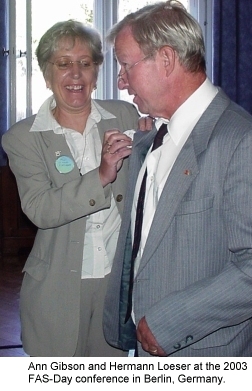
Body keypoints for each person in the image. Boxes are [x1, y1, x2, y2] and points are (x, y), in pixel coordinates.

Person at [103, 0, 252, 357]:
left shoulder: (242, 142)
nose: (120, 80)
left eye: (126, 65)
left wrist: (173, 320)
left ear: (167, 60)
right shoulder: (156, 134)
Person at [1, 19, 150, 357]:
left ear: (97, 71)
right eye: (63, 64)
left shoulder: (125, 115)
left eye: (85, 63)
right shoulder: (23, 137)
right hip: (57, 286)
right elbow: (41, 209)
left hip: (117, 281)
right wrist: (101, 175)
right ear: (45, 72)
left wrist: (154, 141)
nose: (75, 74)